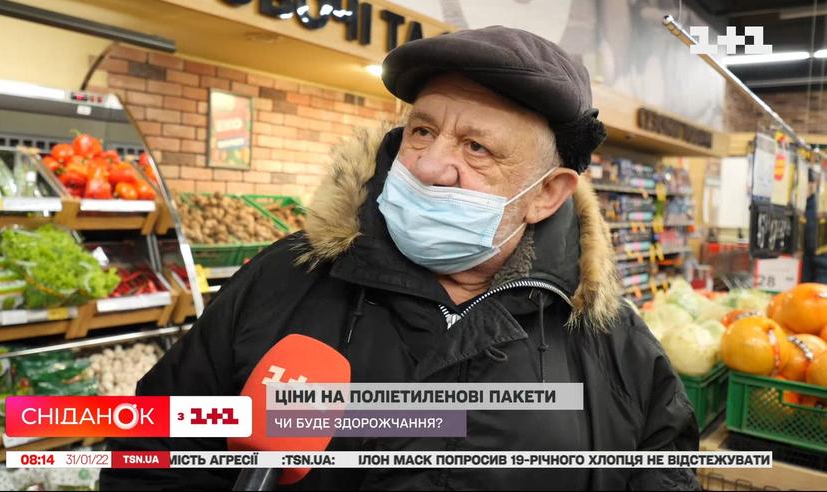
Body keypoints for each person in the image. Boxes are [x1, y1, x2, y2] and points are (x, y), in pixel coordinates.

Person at [101, 26, 699, 491]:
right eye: (422, 131)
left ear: (546, 195)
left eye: (476, 147)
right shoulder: (284, 280)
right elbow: (151, 453)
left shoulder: (615, 347)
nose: (430, 165)